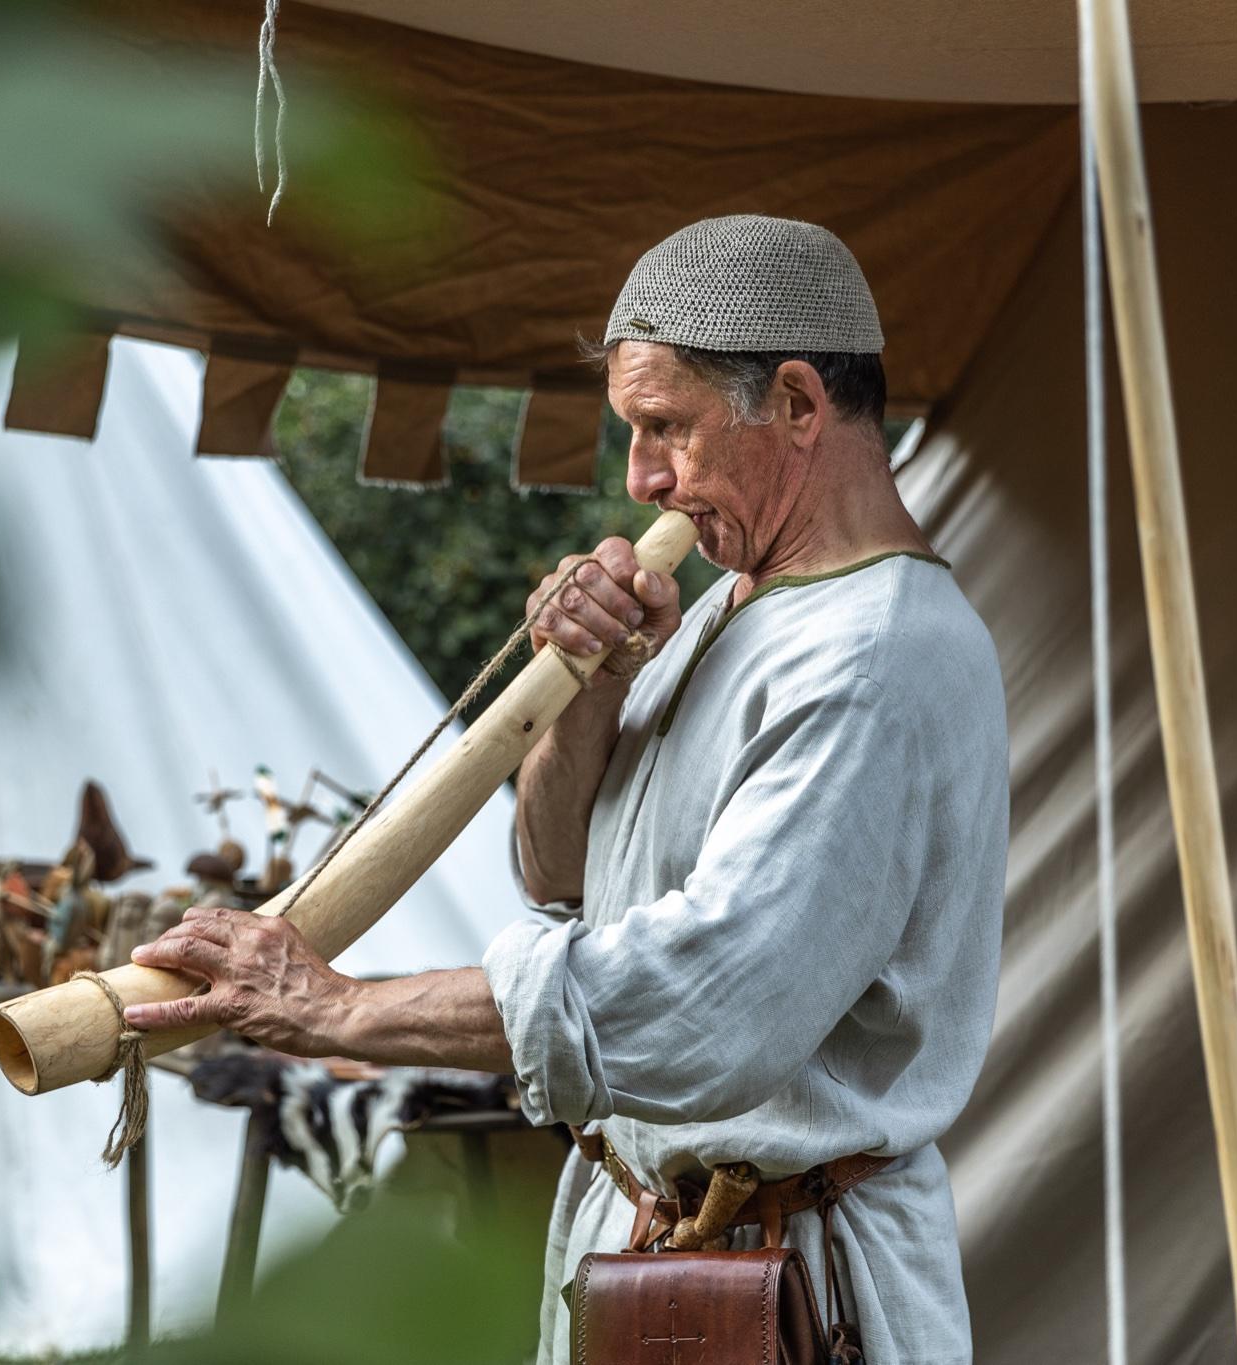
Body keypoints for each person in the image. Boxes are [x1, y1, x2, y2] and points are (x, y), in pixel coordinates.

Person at [123, 215, 1010, 1364]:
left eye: (665, 428)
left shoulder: (875, 653)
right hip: (649, 1254)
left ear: (796, 402)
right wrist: (591, 690)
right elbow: (556, 876)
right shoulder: (730, 607)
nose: (639, 478)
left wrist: (335, 1008)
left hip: (794, 1291)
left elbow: (707, 1001)